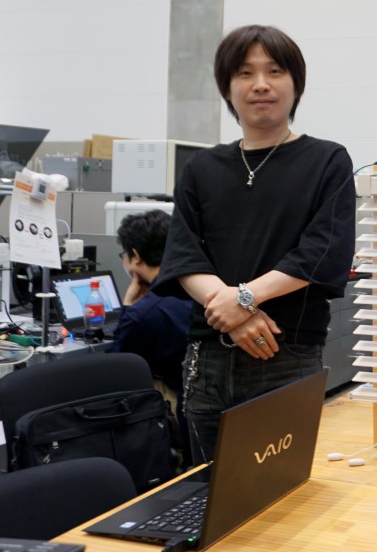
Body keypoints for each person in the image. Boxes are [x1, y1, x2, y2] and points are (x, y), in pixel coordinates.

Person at [153, 24, 356, 464]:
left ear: (296, 84)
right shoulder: (201, 167)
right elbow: (184, 253)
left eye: (275, 71)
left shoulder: (327, 160)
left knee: (278, 487)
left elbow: (322, 250)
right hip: (207, 357)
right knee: (206, 486)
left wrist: (244, 299)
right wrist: (233, 315)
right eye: (245, 73)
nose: (260, 84)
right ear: (227, 87)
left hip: (285, 352)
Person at [111, 209, 192, 402]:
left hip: (179, 403)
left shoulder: (143, 313)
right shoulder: (198, 287)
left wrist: (128, 306)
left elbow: (119, 365)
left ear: (135, 256)